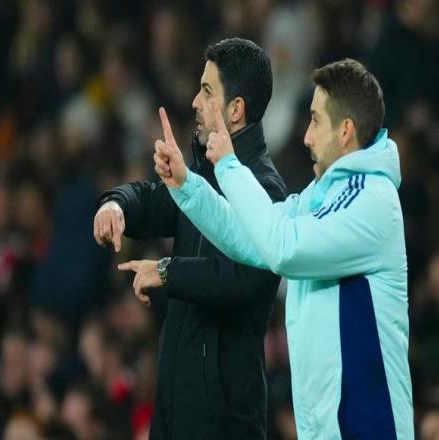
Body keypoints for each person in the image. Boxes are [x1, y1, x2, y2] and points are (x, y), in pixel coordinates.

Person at [155, 59, 414, 439]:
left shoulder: (371, 201)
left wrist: (229, 165)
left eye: (316, 121)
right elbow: (253, 239)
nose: (306, 137)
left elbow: (283, 248)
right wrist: (187, 186)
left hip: (368, 429)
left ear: (345, 131)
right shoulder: (323, 193)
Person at [93, 37, 287, 439]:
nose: (195, 102)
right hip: (174, 407)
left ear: (235, 109)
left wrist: (167, 271)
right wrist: (116, 205)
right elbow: (153, 199)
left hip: (224, 420)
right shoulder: (201, 176)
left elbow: (242, 280)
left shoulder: (266, 190)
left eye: (207, 91)